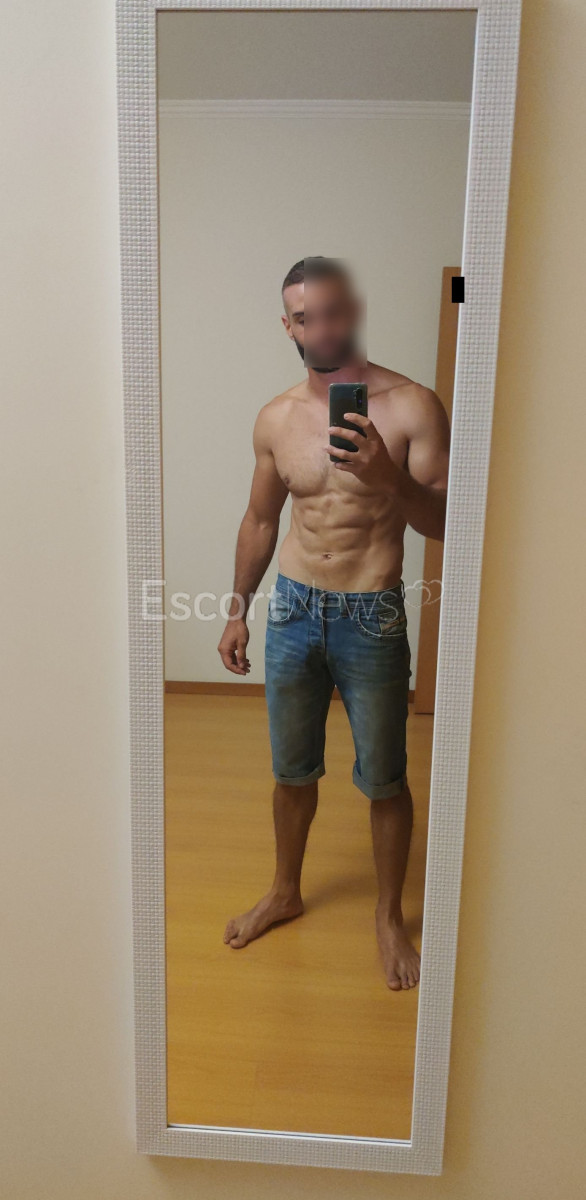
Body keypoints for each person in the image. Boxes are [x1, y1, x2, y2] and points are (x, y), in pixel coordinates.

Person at [218, 256, 450, 991]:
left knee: (384, 778)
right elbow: (261, 520)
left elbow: (446, 521)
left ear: (353, 311)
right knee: (292, 771)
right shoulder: (277, 418)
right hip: (293, 607)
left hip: (370, 612)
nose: (322, 328)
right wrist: (237, 611)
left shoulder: (413, 407)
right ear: (288, 326)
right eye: (304, 316)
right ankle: (285, 891)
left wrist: (387, 478)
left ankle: (388, 916)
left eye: (334, 312)